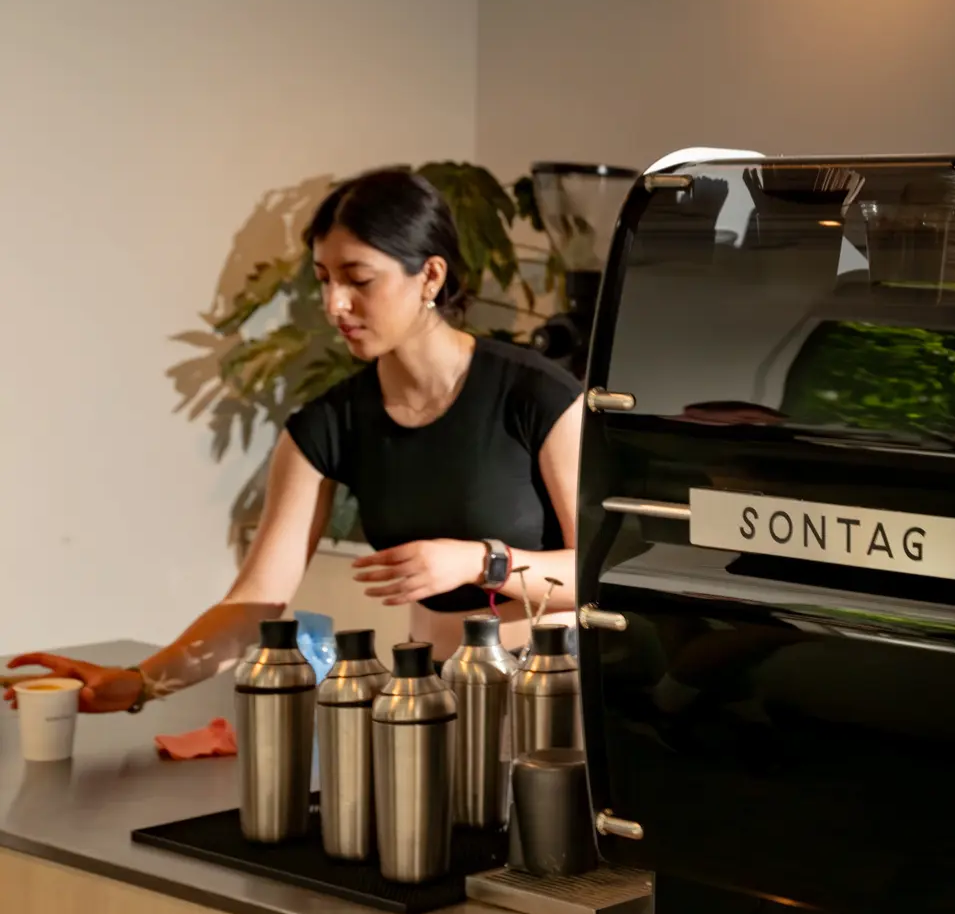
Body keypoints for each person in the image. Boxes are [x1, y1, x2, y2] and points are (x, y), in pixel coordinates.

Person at [7, 169, 584, 713]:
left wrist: (481, 561)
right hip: (426, 688)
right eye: (324, 279)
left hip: (554, 687)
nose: (335, 305)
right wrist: (137, 684)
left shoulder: (539, 396)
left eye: (358, 279)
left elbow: (600, 576)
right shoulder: (328, 424)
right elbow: (254, 601)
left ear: (430, 276)